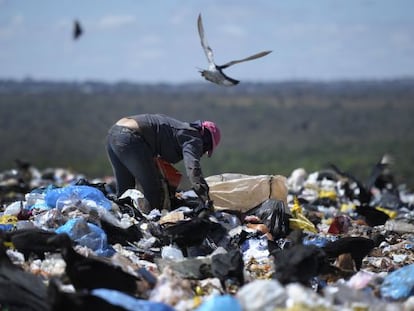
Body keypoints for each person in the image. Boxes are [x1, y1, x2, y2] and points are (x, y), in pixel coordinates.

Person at [106, 113, 221, 212]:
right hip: (129, 137)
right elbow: (193, 169)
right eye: (206, 149)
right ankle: (152, 226)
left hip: (114, 134)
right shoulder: (194, 138)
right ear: (206, 140)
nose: (202, 152)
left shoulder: (179, 130)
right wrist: (205, 198)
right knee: (154, 191)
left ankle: (121, 225)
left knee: (125, 193)